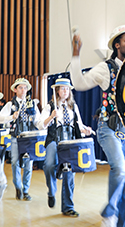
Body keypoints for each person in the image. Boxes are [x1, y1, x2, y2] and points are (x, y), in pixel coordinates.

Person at [69, 25, 125, 227]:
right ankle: (110, 213)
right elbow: (79, 84)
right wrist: (75, 55)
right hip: (108, 128)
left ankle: (120, 223)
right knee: (120, 169)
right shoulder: (105, 68)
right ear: (117, 45)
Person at [37, 78, 93, 217]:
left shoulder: (73, 106)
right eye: (62, 88)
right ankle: (51, 191)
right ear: (57, 91)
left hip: (70, 141)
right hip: (54, 140)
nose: (65, 91)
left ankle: (68, 207)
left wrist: (85, 130)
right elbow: (40, 125)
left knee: (69, 172)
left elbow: (79, 124)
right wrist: (51, 117)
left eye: (67, 89)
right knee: (49, 165)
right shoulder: (50, 106)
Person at [0, 78, 41, 201]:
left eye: (25, 88)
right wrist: (11, 116)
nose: (23, 90)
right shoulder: (10, 105)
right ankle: (18, 187)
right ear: (15, 90)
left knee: (28, 163)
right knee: (15, 162)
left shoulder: (32, 104)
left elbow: (38, 121)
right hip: (16, 137)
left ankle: (26, 189)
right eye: (21, 87)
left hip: (29, 138)